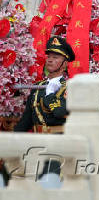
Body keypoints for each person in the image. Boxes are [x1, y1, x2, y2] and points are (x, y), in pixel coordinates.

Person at [13, 36, 75, 188]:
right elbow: (26, 120)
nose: (50, 60)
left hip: (58, 147)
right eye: (49, 57)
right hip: (36, 147)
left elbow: (60, 113)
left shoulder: (71, 87)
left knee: (50, 187)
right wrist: (10, 140)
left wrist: (50, 95)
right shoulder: (38, 87)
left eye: (56, 57)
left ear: (65, 63)